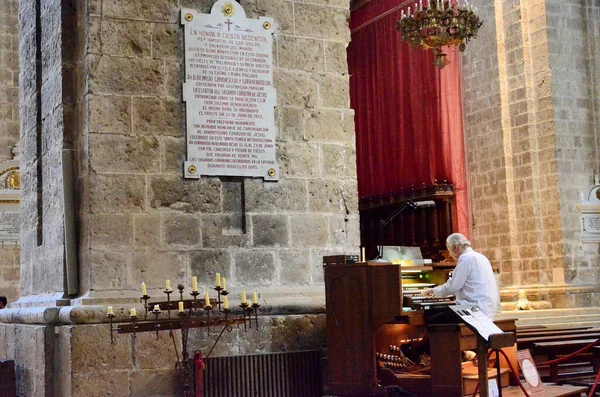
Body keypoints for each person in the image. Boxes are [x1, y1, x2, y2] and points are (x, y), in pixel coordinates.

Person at [424, 233, 500, 319]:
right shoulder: (481, 257)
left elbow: (452, 287)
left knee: (429, 317)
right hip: (487, 309)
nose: (449, 254)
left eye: (449, 250)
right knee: (438, 313)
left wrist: (433, 291)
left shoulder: (465, 259)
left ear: (455, 247)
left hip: (472, 311)